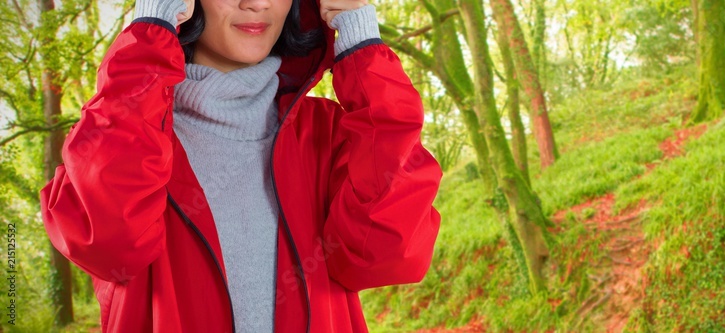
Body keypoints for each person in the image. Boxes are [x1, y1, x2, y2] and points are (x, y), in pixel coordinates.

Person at [38, 0, 442, 330]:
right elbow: (109, 245)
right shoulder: (123, 133)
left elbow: (384, 255)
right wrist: (149, 33)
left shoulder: (331, 133)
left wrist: (361, 44)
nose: (258, 3)